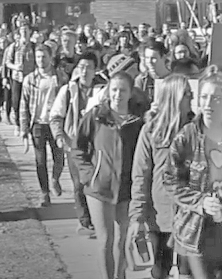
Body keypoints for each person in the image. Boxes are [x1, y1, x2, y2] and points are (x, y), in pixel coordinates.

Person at [161, 67, 222, 279]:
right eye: (204, 97)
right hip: (192, 232)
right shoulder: (186, 136)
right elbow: (170, 179)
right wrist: (200, 202)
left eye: (215, 98)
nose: (207, 104)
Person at [74, 72, 146, 279]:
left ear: (131, 93)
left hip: (126, 189)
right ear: (108, 91)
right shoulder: (96, 117)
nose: (118, 95)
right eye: (114, 89)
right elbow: (77, 148)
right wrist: (88, 175)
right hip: (100, 188)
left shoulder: (137, 122)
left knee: (122, 239)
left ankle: (120, 275)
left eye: (123, 90)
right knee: (105, 239)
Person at [129, 75, 197, 279]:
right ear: (173, 97)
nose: (192, 97)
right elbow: (141, 175)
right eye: (187, 93)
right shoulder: (150, 131)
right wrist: (137, 216)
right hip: (161, 215)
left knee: (190, 271)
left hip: (190, 213)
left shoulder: (197, 129)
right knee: (160, 269)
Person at [49, 52, 100, 236]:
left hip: (97, 145)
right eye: (82, 67)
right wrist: (59, 136)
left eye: (89, 67)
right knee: (78, 184)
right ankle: (85, 221)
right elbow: (55, 116)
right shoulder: (68, 90)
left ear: (96, 70)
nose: (85, 71)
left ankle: (97, 219)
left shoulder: (102, 91)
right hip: (74, 145)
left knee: (95, 183)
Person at [21, 45, 65, 206]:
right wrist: (23, 129)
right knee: (40, 161)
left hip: (55, 123)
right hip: (38, 124)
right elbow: (23, 105)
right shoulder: (30, 79)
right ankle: (44, 194)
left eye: (44, 57)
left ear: (50, 57)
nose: (41, 60)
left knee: (59, 157)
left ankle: (55, 179)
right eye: (38, 57)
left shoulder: (60, 77)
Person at [4, 25, 37, 134]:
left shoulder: (34, 46)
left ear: (30, 32)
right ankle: (18, 124)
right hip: (17, 78)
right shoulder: (14, 46)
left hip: (30, 78)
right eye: (22, 31)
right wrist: (15, 67)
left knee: (30, 101)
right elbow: (7, 62)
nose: (24, 33)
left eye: (26, 31)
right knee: (16, 101)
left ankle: (29, 124)